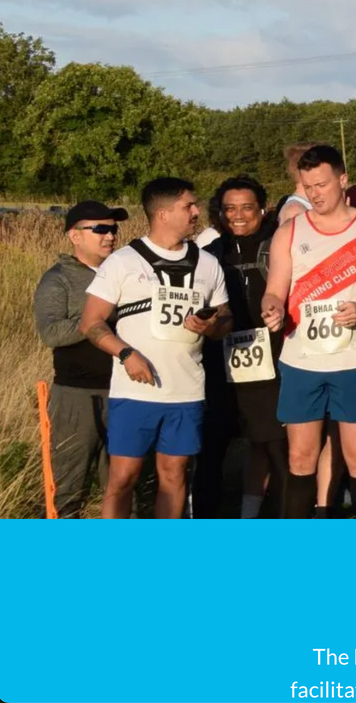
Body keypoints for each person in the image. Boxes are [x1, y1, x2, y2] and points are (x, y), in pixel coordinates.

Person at [260, 145, 356, 520]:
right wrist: (272, 308)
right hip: (301, 359)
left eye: (322, 184)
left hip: (355, 359)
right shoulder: (290, 232)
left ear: (343, 181)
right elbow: (276, 289)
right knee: (300, 456)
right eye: (307, 187)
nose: (315, 194)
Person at [77, 179, 232, 519]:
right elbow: (91, 322)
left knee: (175, 475)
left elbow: (225, 321)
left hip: (186, 391)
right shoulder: (123, 261)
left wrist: (212, 325)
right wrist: (126, 354)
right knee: (123, 477)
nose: (197, 212)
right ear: (162, 214)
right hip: (135, 392)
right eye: (188, 206)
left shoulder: (208, 263)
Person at [34, 200, 127, 517]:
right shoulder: (57, 278)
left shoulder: (126, 272)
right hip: (76, 396)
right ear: (74, 236)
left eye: (113, 228)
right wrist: (95, 318)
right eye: (100, 228)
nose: (110, 236)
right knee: (69, 488)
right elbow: (52, 333)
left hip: (125, 392)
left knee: (123, 486)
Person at [202, 177, 289, 519]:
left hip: (273, 364)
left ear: (263, 209)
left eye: (247, 207)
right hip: (219, 365)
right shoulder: (209, 254)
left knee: (277, 449)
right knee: (211, 451)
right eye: (229, 209)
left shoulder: (278, 248)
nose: (238, 216)